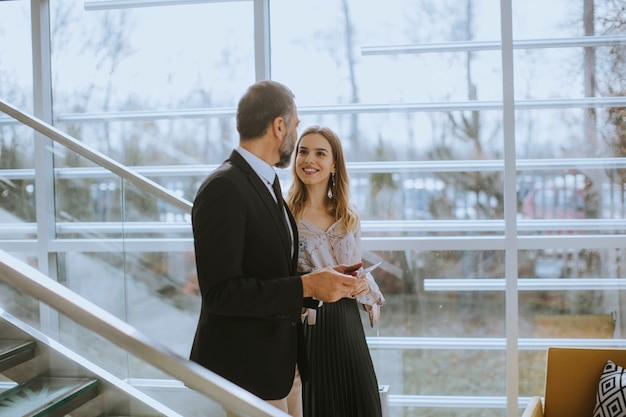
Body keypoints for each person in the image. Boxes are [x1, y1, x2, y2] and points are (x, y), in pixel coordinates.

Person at [189, 80, 362, 417]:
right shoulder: (224, 188)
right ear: (279, 126)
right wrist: (307, 286)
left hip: (280, 362)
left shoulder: (267, 183)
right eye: (295, 126)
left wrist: (322, 281)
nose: (296, 136)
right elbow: (220, 293)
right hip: (247, 367)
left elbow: (272, 270)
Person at [286, 125, 385, 417]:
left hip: (347, 325)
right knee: (320, 405)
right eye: (302, 152)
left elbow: (358, 269)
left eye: (319, 153)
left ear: (334, 165)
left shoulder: (348, 215)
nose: (309, 160)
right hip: (310, 326)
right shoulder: (284, 214)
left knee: (361, 404)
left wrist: (365, 287)